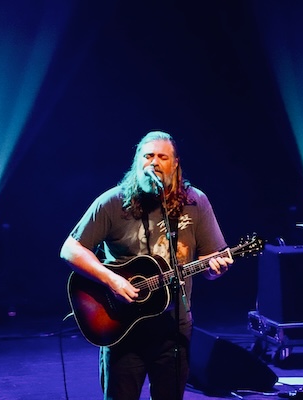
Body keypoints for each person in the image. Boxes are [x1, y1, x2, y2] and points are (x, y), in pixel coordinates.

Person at [60, 130, 233, 400]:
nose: (153, 162)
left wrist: (215, 270)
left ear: (175, 164)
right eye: (147, 156)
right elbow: (70, 249)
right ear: (137, 161)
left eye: (162, 157)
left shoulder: (195, 202)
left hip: (173, 328)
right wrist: (112, 280)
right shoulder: (113, 202)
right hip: (122, 326)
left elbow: (211, 259)